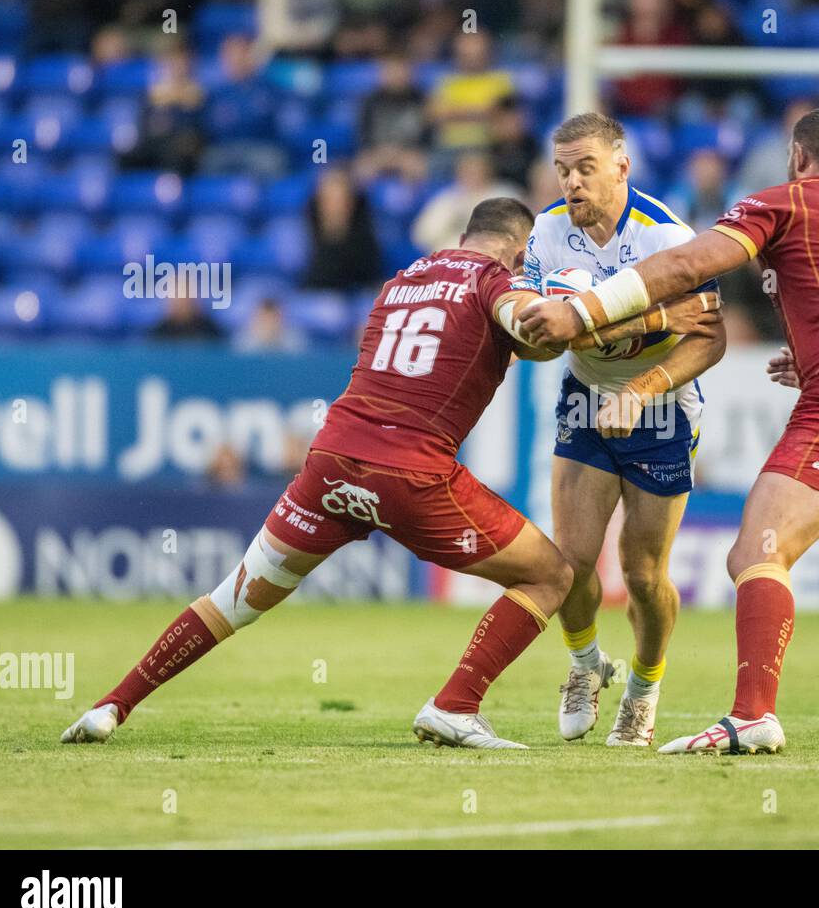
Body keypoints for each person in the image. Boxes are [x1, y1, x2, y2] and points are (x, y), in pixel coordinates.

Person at [520, 106, 819, 754]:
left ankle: (752, 714)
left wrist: (585, 308)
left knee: (756, 553)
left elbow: (688, 266)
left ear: (797, 157)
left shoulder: (787, 201)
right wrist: (814, 360)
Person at [63, 199, 579, 750]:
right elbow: (528, 324)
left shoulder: (401, 280)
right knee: (550, 575)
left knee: (232, 599)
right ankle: (455, 704)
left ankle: (111, 706)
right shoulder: (494, 280)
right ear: (521, 250)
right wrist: (577, 309)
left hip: (332, 460)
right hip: (411, 472)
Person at [521, 112, 726, 747]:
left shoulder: (666, 235)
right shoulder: (547, 232)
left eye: (585, 168)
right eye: (562, 170)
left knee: (641, 574)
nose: (571, 183)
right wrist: (560, 332)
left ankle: (644, 687)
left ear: (622, 167)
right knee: (571, 564)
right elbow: (534, 343)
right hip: (585, 401)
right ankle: (585, 668)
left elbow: (710, 337)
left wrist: (640, 389)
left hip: (661, 409)